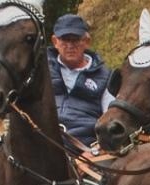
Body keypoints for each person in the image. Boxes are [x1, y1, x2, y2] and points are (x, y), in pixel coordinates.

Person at [47, 14, 114, 152]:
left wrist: (96, 151)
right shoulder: (41, 69)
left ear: (86, 41)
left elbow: (111, 121)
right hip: (44, 142)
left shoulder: (106, 77)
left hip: (85, 150)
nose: (70, 46)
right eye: (65, 40)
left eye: (76, 40)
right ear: (55, 41)